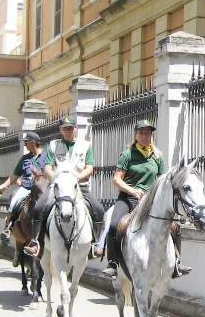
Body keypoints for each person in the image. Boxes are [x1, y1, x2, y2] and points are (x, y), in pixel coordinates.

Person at [100, 120, 191, 279]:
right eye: (141, 133)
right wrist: (132, 190)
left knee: (175, 226)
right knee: (114, 225)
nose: (144, 136)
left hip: (150, 201)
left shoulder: (157, 156)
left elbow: (161, 180)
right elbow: (116, 179)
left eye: (147, 133)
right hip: (128, 199)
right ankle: (112, 262)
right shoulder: (127, 154)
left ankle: (177, 261)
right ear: (135, 135)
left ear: (151, 135)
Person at [25, 116, 104, 256]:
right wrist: (57, 178)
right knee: (38, 208)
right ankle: (37, 242)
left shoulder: (86, 145)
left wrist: (76, 178)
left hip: (79, 185)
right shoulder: (53, 145)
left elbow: (90, 167)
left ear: (76, 128)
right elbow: (47, 168)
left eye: (71, 127)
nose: (68, 130)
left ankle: (95, 243)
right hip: (58, 186)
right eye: (65, 128)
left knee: (98, 209)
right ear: (60, 129)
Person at [0, 132, 45, 260]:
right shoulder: (25, 158)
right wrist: (3, 187)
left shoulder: (47, 156)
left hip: (43, 188)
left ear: (33, 142)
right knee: (14, 200)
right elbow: (15, 176)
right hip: (27, 187)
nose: (25, 144)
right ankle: (8, 227)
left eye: (26, 142)